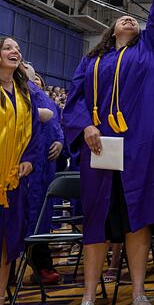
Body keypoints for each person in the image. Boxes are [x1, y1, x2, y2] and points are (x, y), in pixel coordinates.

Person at [62, 0, 154, 305]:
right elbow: (76, 99)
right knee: (96, 220)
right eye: (123, 18)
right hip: (98, 148)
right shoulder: (91, 61)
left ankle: (138, 293)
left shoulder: (149, 50)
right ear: (112, 30)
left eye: (134, 18)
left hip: (140, 148)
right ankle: (87, 296)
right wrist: (85, 126)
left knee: (138, 219)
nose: (130, 19)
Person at [0, 37, 46, 304]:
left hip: (14, 180)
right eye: (8, 48)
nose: (15, 52)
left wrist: (29, 158)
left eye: (17, 49)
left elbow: (34, 132)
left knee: (8, 242)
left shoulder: (24, 92)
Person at [22, 63, 64, 286]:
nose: (27, 67)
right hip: (22, 162)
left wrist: (59, 142)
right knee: (19, 216)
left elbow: (57, 127)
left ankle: (42, 266)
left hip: (44, 167)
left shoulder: (45, 98)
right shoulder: (14, 90)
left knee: (39, 218)